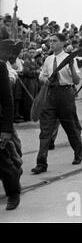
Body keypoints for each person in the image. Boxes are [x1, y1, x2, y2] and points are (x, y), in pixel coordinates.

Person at [31, 33, 82, 174]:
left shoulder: (69, 58)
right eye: (50, 41)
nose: (52, 44)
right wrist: (44, 80)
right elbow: (42, 75)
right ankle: (41, 163)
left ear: (62, 43)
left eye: (55, 41)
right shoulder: (48, 59)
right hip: (50, 94)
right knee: (45, 130)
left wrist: (72, 67)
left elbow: (77, 80)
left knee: (70, 127)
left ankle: (78, 152)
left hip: (65, 94)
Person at [0, 58, 22, 210]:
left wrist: (7, 129)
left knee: (2, 161)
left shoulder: (0, 66)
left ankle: (13, 192)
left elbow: (7, 100)